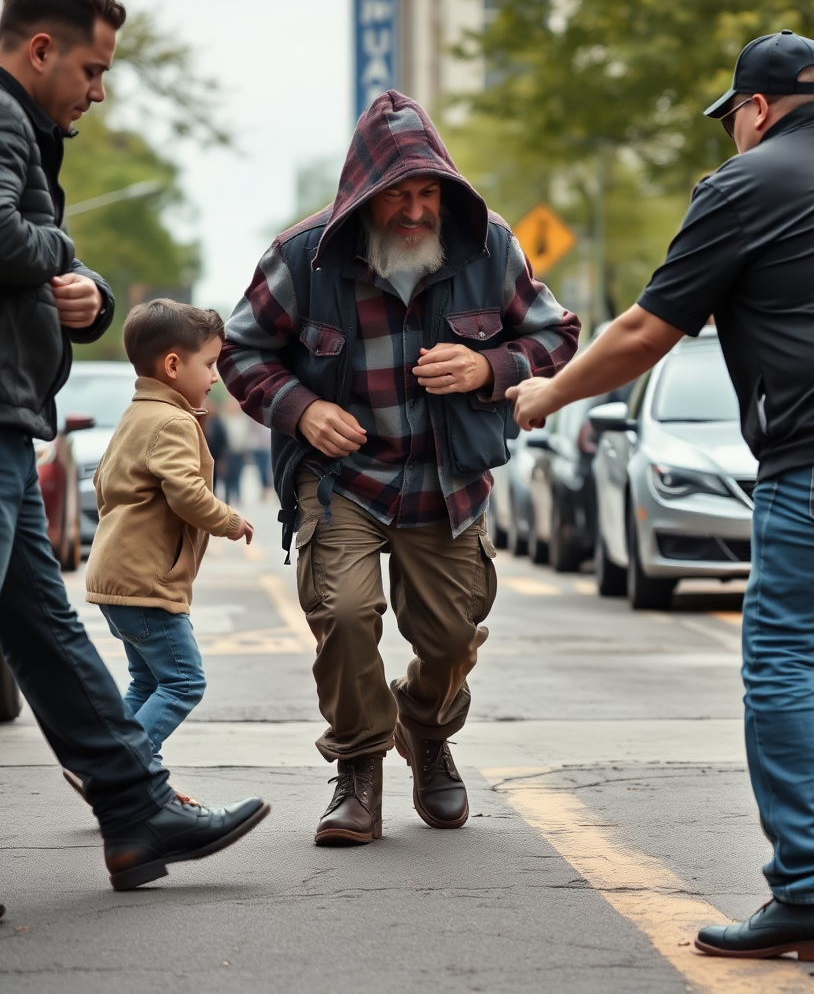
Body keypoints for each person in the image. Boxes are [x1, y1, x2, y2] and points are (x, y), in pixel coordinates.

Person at [507, 30, 814, 962]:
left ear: (757, 108)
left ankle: (812, 892)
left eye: (731, 117)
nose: (730, 135)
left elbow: (647, 330)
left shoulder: (738, 186)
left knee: (778, 658)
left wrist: (549, 392)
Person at [220, 90, 579, 845]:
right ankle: (357, 769)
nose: (416, 210)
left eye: (428, 193)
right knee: (345, 616)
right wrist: (299, 409)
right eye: (398, 196)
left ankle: (425, 730)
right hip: (343, 478)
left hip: (450, 480)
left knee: (451, 636)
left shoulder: (491, 247)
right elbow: (239, 350)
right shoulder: (299, 257)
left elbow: (557, 336)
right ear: (363, 196)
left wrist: (490, 366)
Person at [0, 0, 268, 899]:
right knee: (43, 632)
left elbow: (48, 271)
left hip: (10, 415)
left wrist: (85, 294)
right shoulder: (1, 119)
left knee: (47, 633)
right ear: (42, 50)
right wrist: (63, 263)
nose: (98, 89)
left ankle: (132, 806)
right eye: (93, 68)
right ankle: (133, 802)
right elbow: (7, 236)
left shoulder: (29, 132)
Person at [79, 300, 254, 799]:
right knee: (182, 682)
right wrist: (229, 520)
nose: (216, 377)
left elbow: (103, 482)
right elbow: (186, 492)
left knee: (145, 683)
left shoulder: (136, 416)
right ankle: (130, 778)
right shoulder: (173, 423)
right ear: (173, 365)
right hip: (147, 584)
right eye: (210, 364)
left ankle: (101, 769)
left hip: (117, 580)